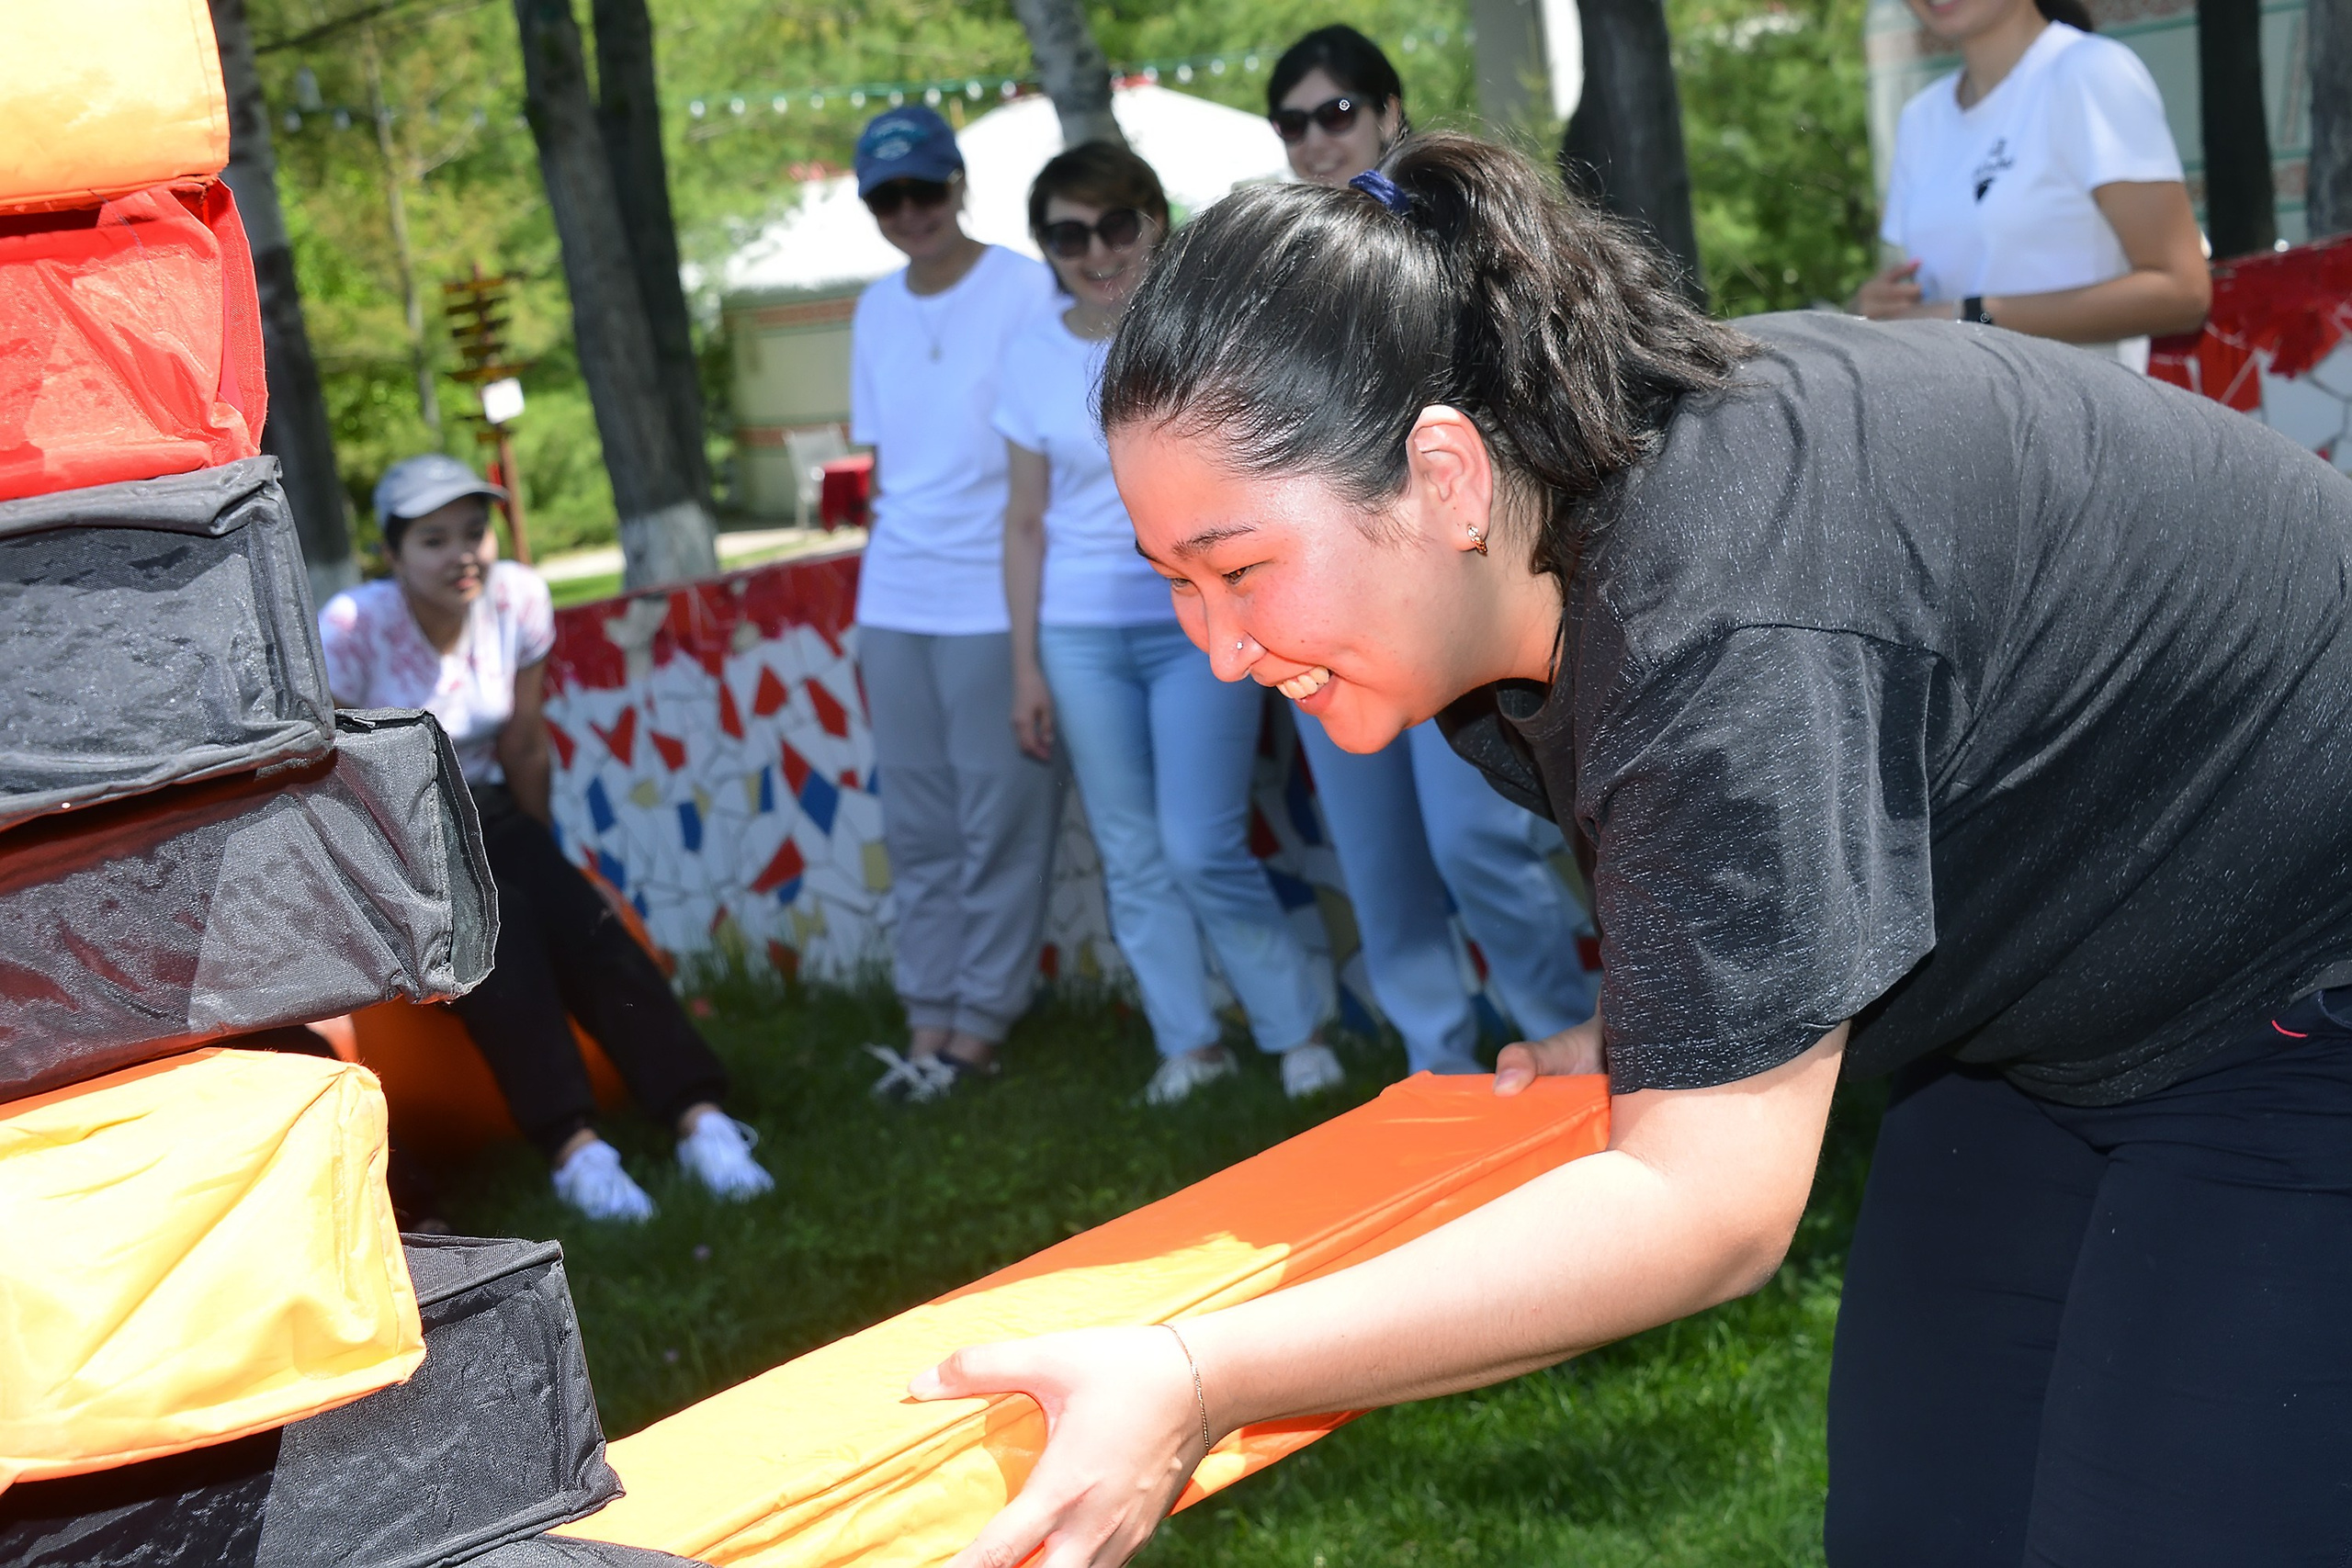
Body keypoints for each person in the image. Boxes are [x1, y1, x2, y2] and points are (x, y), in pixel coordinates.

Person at [905, 136, 2352, 1565]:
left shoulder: (1719, 608)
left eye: (1238, 569)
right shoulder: (1549, 531)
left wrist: (1198, 1370)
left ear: (1446, 475)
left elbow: (1702, 1204)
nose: (1217, 650)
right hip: (2064, 992)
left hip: (2303, 991)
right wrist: (1683, 1002)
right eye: (1175, 585)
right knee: (1924, 1528)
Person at [1264, 25, 1600, 1075]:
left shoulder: (1446, 231)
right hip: (1324, 598)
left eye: (1337, 112)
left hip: (1452, 582)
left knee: (1476, 842)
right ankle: (1435, 1069)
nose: (1319, 139)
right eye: (1294, 122)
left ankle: (1567, 1050)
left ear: (1386, 110)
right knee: (1382, 858)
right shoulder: (1270, 264)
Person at [319, 455, 775, 1224]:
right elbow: (331, 772)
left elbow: (526, 744)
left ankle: (701, 1118)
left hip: (494, 813)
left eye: (475, 532)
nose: (463, 553)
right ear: (391, 553)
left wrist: (550, 853)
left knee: (592, 930)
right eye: (434, 540)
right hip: (403, 836)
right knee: (506, 954)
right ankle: (576, 1148)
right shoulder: (352, 629)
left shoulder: (519, 599)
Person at [997, 142, 1340, 1106]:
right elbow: (1024, 522)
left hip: (1200, 619)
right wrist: (1026, 666)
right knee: (1131, 850)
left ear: (1154, 221)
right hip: (1077, 633)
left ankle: (1296, 1029)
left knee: (1199, 842)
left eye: (1115, 225)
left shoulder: (1202, 334)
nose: (1096, 250)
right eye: (1069, 234)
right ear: (1046, 247)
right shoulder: (1027, 358)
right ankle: (1187, 1044)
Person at [845, 106, 1062, 1102]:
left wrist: (1031, 637)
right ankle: (926, 1019)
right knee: (921, 825)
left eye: (924, 190)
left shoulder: (1024, 287)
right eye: (886, 198)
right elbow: (889, 468)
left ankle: (981, 1026)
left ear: (958, 185)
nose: (908, 212)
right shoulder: (874, 307)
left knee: (1000, 820)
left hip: (993, 595)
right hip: (895, 594)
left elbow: (1047, 458)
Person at [1855, 0, 2209, 369]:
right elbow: (1921, 295)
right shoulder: (1920, 119)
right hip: (1957, 416)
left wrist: (1973, 317)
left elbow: (2183, 293)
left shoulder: (2090, 71)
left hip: (2081, 417)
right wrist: (1870, 311)